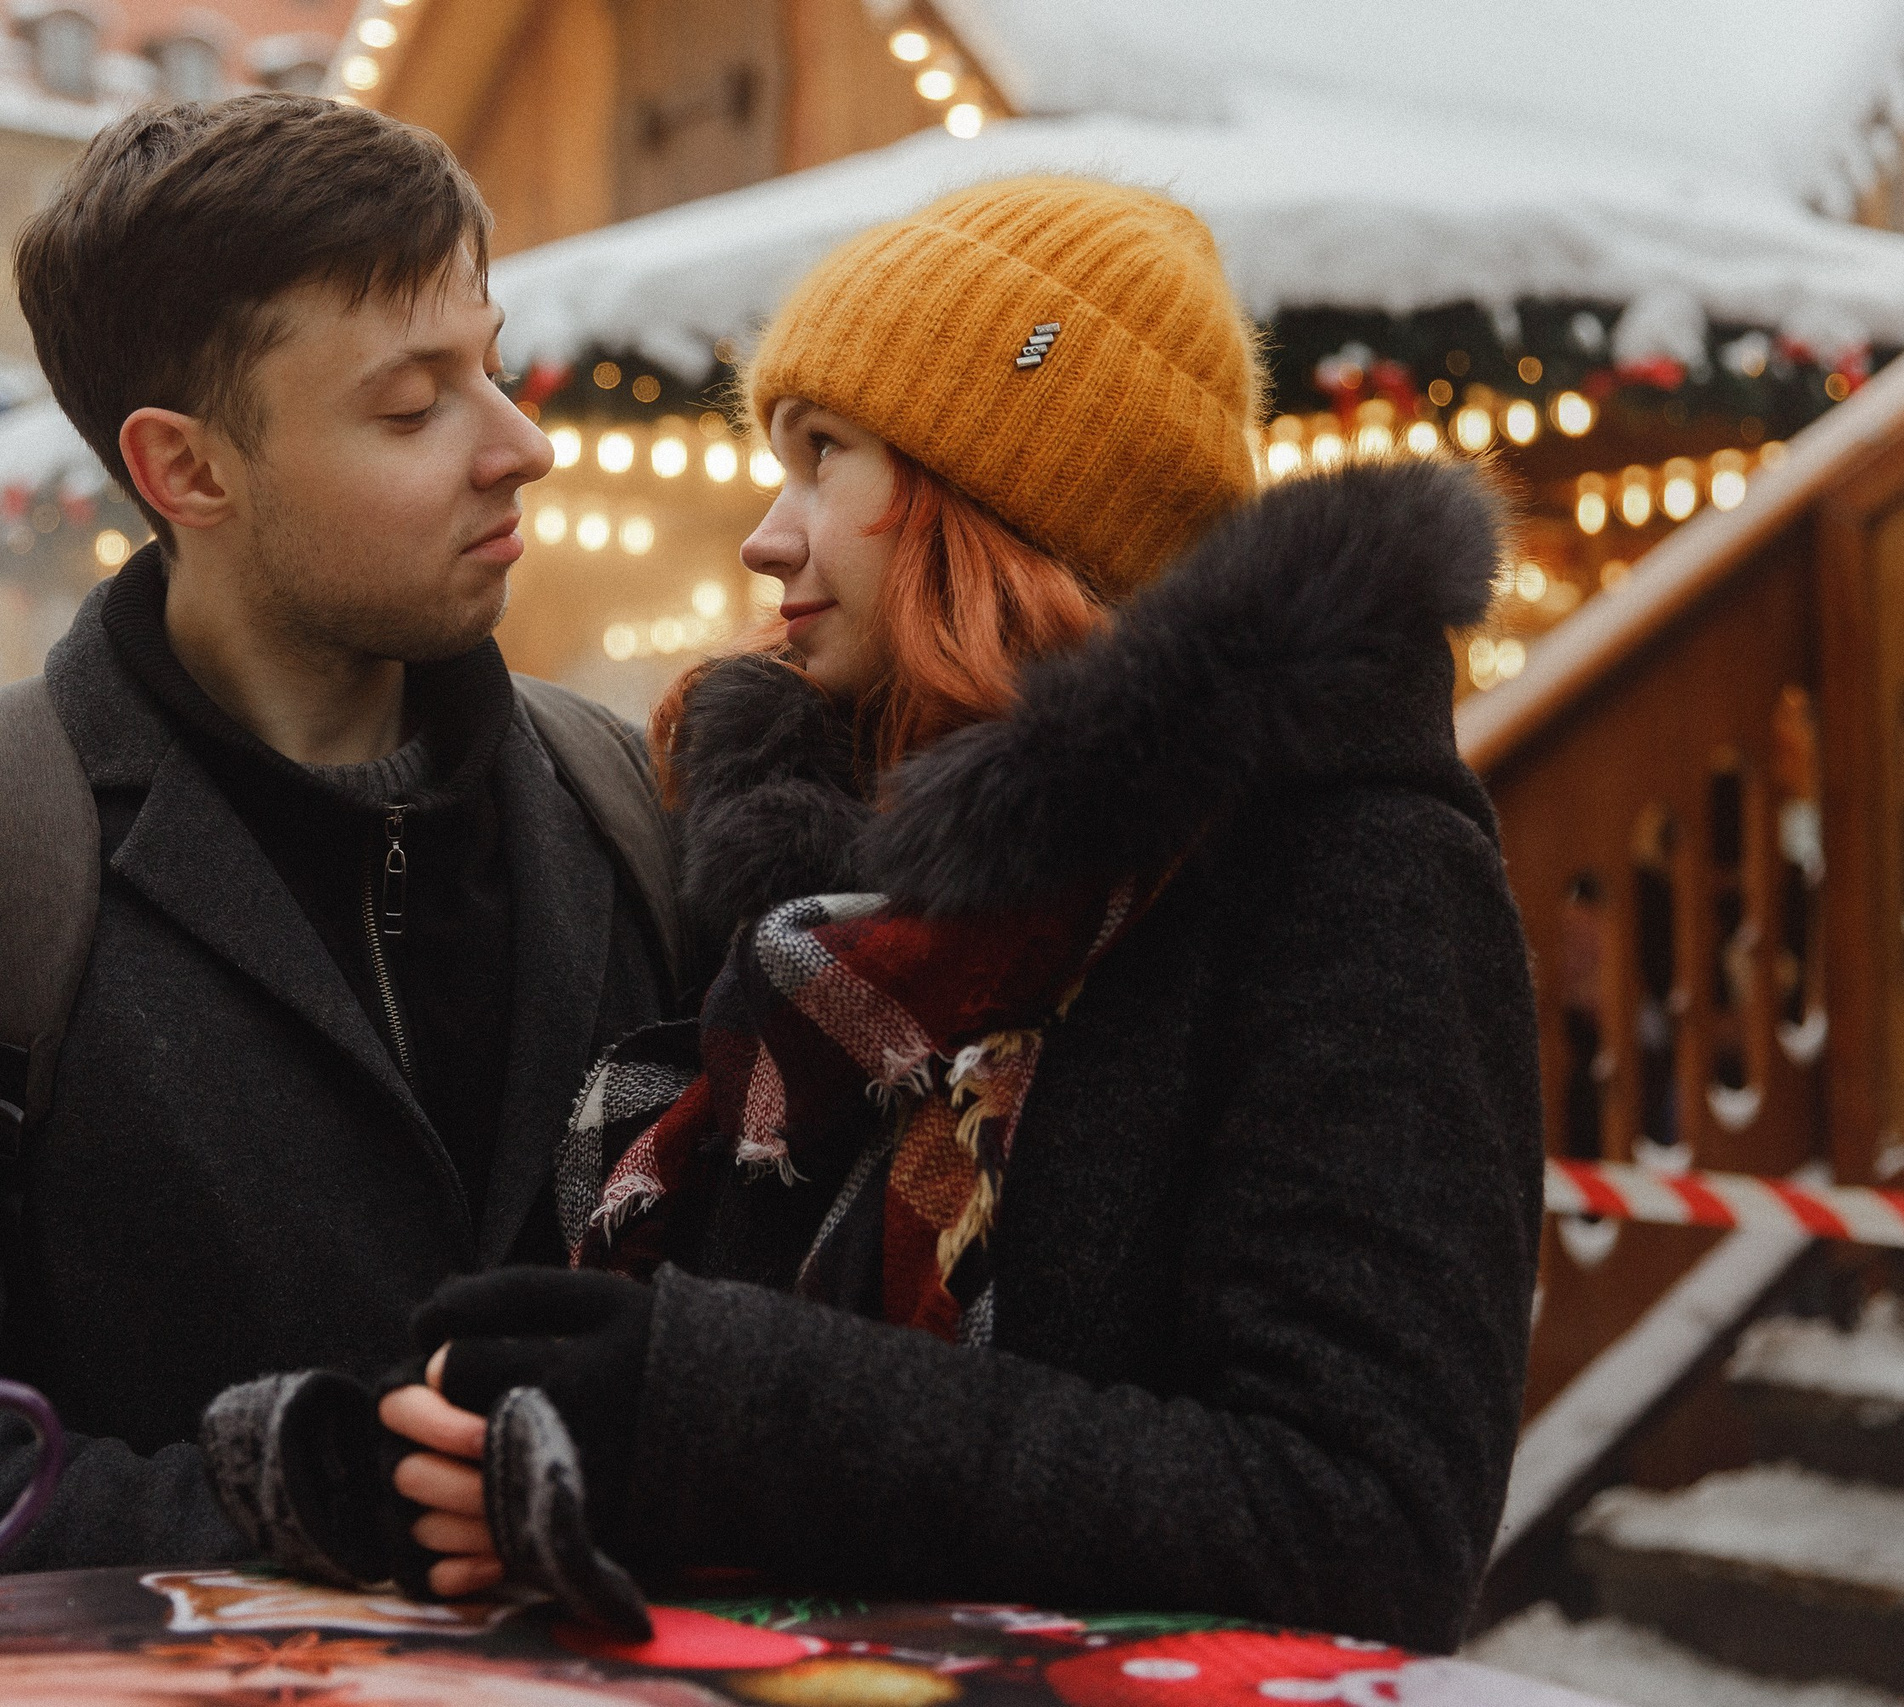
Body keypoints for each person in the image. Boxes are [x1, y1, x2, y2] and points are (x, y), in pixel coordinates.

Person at [378, 178, 1544, 1651]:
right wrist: (435, 1454)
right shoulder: (826, 915)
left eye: (823, 455)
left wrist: (710, 1412)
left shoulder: (1350, 866)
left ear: (993, 497)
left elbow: (1369, 1523)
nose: (765, 538)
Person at [0, 93, 675, 1568]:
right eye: (413, 407)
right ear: (186, 471)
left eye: (494, 364)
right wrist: (333, 1502)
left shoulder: (628, 807)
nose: (519, 443)